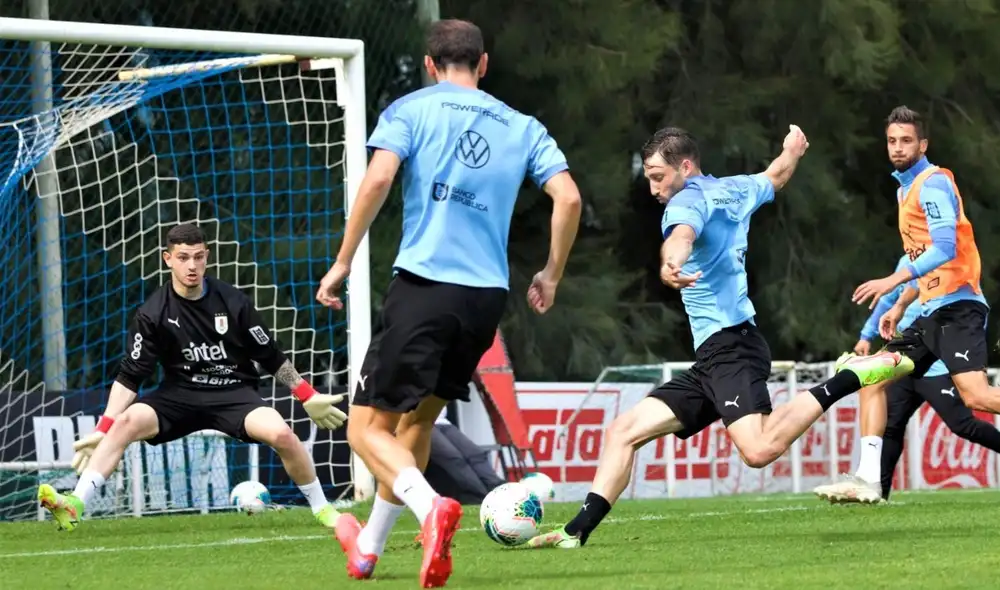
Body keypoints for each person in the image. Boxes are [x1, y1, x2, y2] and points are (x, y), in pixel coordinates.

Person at [524, 124, 911, 549]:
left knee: (759, 450)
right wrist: (792, 149)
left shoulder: (685, 201)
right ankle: (576, 531)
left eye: (657, 176)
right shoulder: (735, 188)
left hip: (733, 348)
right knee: (623, 431)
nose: (653, 188)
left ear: (685, 167)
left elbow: (682, 236)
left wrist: (671, 262)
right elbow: (776, 176)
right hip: (715, 357)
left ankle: (848, 377)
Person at [314, 18, 582, 587]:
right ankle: (368, 549)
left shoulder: (412, 108)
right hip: (485, 299)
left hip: (425, 287)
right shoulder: (522, 125)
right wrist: (551, 274)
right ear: (483, 64)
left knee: (364, 429)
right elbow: (569, 197)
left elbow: (378, 179)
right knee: (418, 422)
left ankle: (431, 505)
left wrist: (342, 261)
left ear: (432, 65)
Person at [37, 223, 347, 531]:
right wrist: (105, 426)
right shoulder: (153, 312)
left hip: (234, 393)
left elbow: (271, 356)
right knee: (126, 423)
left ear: (207, 257)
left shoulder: (234, 302)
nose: (192, 266)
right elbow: (131, 376)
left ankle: (324, 511)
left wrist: (306, 395)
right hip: (180, 395)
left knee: (282, 435)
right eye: (184, 257)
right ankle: (74, 504)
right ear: (167, 258)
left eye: (198, 257)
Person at [818, 105, 1000, 500]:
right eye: (891, 141)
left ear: (923, 144)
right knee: (872, 377)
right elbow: (919, 256)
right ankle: (868, 482)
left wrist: (894, 280)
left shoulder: (932, 184)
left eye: (906, 141)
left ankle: (870, 481)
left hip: (959, 305)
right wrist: (900, 305)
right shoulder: (905, 189)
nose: (897, 148)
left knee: (976, 398)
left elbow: (945, 248)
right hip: (931, 310)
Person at [814, 253, 1000, 503]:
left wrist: (957, 357)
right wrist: (868, 334)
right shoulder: (911, 259)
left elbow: (968, 304)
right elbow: (891, 298)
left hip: (939, 367)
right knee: (878, 395)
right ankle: (872, 487)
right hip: (912, 349)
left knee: (967, 417)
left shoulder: (946, 247)